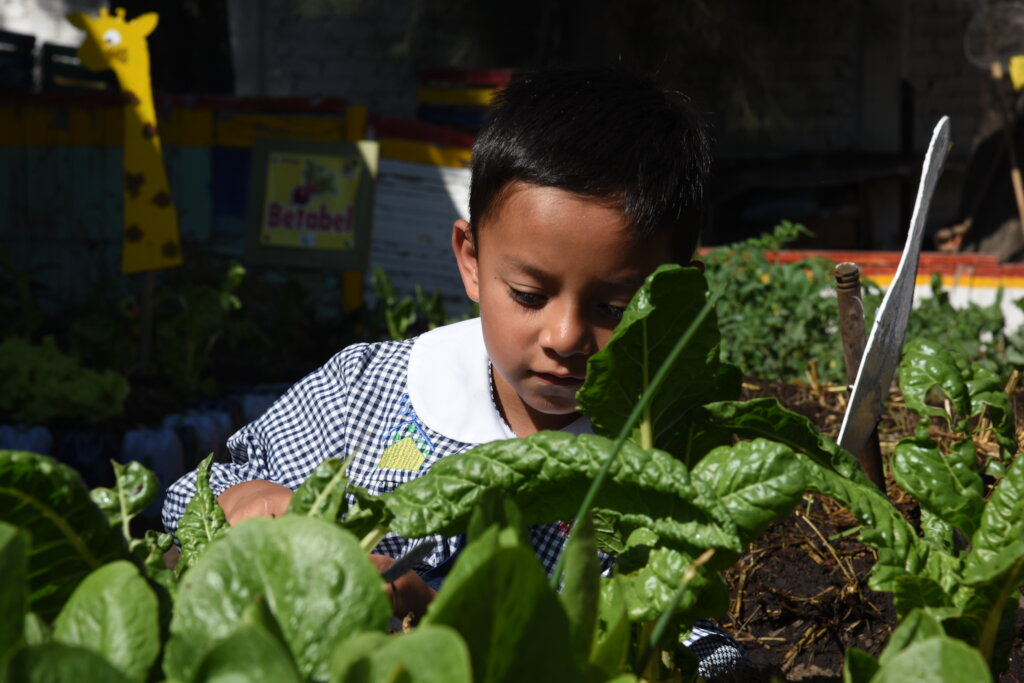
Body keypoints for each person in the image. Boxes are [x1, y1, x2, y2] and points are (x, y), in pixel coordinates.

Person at [163, 65, 746, 676]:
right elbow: (188, 508)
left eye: (615, 309)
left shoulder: (666, 456)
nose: (566, 337)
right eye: (527, 294)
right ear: (471, 260)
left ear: (674, 297)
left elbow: (701, 639)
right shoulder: (367, 394)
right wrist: (246, 502)